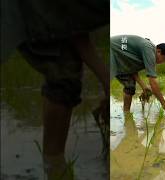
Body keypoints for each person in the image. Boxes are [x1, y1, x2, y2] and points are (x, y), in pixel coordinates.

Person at [1, 0, 109, 179]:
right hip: (28, 9)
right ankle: (53, 165)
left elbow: (75, 27)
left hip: (54, 14)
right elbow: (72, 24)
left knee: (65, 73)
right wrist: (106, 79)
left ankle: (53, 164)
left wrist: (106, 79)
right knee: (63, 73)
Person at [110, 35, 165, 113]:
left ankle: (126, 114)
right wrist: (164, 104)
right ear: (158, 51)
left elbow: (132, 68)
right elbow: (153, 81)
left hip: (120, 55)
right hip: (113, 51)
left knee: (130, 86)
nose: (161, 62)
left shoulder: (147, 48)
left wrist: (143, 86)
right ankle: (125, 114)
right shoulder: (149, 50)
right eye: (163, 59)